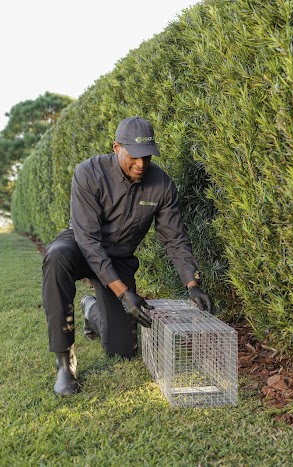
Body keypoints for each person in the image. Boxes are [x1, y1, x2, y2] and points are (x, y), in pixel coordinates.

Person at [41, 116, 214, 396]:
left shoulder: (162, 185)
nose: (141, 164)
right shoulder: (88, 173)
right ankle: (64, 363)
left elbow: (174, 238)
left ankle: (92, 310)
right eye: (134, 155)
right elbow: (88, 241)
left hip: (118, 258)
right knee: (56, 256)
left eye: (147, 156)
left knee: (122, 350)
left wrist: (192, 284)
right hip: (81, 247)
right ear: (117, 147)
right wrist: (123, 294)